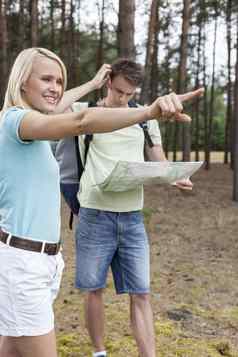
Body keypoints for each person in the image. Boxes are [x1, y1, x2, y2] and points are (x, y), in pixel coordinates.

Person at [0, 48, 191, 357]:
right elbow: (81, 121)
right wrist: (148, 111)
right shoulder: (17, 121)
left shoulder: (34, 124)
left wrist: (89, 84)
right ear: (22, 81)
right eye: (46, 79)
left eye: (59, 80)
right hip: (24, 262)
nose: (55, 88)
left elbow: (59, 108)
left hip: (42, 260)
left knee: (10, 348)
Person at [68, 59, 204, 357]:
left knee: (141, 291)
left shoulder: (145, 119)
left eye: (130, 94)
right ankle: (99, 352)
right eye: (118, 91)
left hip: (132, 218)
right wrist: (90, 83)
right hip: (94, 214)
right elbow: (50, 110)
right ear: (108, 82)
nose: (123, 99)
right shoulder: (83, 112)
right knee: (93, 289)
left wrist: (176, 177)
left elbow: (159, 160)